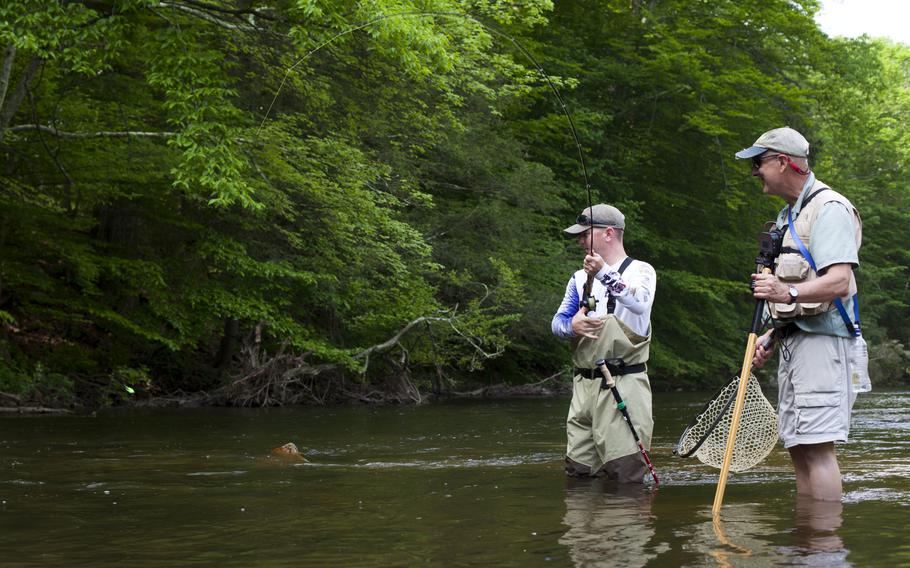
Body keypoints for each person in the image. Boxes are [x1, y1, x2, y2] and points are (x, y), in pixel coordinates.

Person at [738, 126, 862, 501]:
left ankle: (823, 548)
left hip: (825, 344)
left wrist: (785, 290)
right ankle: (806, 545)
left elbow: (839, 281)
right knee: (798, 445)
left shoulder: (830, 209)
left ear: (783, 161)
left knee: (818, 447)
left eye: (758, 162)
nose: (754, 170)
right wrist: (771, 335)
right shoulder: (787, 215)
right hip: (796, 343)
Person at [551, 204, 657, 481]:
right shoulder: (577, 279)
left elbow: (638, 303)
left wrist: (603, 273)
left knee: (624, 475)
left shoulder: (642, 271)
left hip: (625, 384)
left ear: (608, 233)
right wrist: (571, 326)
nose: (580, 240)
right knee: (578, 474)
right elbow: (557, 323)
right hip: (583, 388)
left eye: (585, 234)